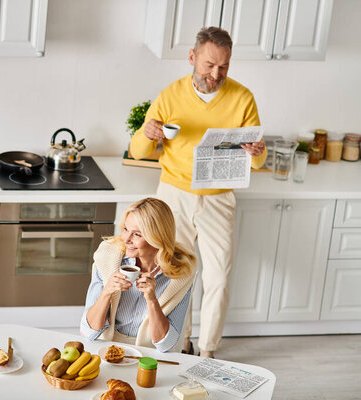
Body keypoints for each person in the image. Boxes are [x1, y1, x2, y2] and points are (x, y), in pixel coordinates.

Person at [129, 27, 267, 358]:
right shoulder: (170, 94)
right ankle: (182, 343)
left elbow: (258, 162)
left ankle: (208, 351)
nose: (216, 74)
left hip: (219, 197)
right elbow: (137, 152)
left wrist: (257, 150)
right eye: (209, 65)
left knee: (218, 277)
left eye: (224, 67)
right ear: (192, 57)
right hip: (174, 194)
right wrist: (147, 133)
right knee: (177, 272)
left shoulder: (242, 97)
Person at [80, 198, 196, 352]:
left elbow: (166, 344)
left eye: (137, 235)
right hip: (107, 347)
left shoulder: (180, 274)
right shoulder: (108, 257)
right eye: (126, 229)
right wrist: (107, 291)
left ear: (157, 238)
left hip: (150, 353)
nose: (126, 239)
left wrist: (152, 299)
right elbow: (89, 331)